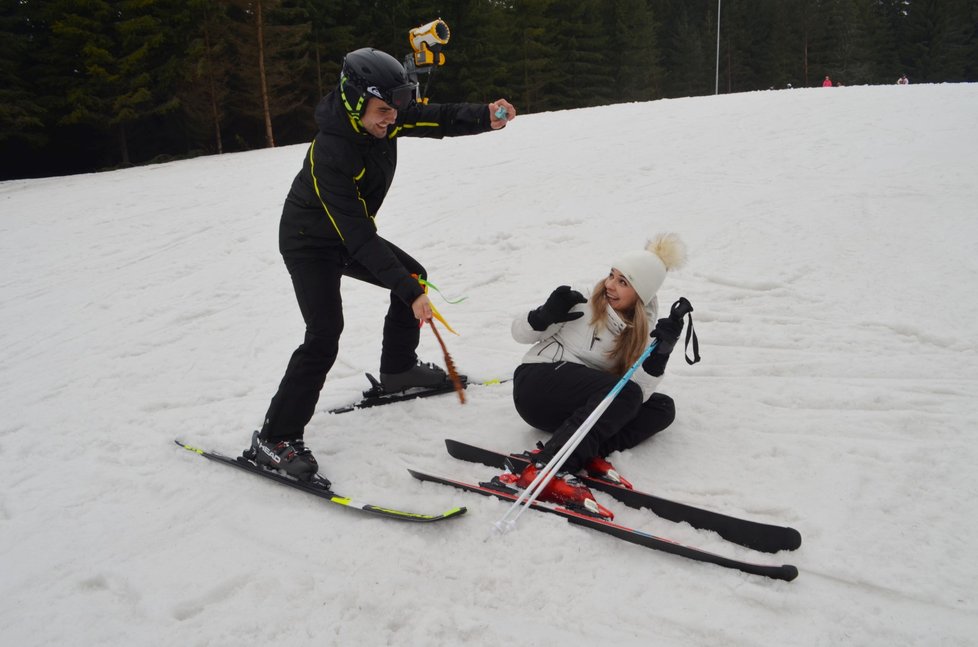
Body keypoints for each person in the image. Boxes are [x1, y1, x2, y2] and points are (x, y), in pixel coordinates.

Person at [250, 47, 517, 479]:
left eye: (395, 110)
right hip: (309, 244)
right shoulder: (330, 152)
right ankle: (275, 437)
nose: (391, 118)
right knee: (324, 334)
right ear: (356, 102)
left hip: (349, 236)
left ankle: (397, 370)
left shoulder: (383, 114)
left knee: (412, 276)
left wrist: (485, 116)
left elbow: (439, 118)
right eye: (382, 111)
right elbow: (358, 237)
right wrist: (410, 293)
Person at [501, 233, 691, 518]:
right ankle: (549, 467)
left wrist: (660, 353)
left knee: (661, 408)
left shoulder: (640, 332)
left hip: (574, 411)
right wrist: (544, 315)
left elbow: (636, 393)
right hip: (536, 384)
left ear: (640, 295)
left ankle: (585, 452)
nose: (610, 286)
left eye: (623, 282)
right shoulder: (582, 301)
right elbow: (519, 333)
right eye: (612, 275)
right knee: (625, 394)